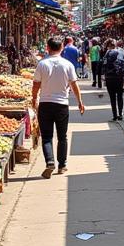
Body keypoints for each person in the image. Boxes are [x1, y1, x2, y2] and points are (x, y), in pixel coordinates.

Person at [32, 35, 85, 178]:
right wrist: (80, 101)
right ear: (62, 48)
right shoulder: (68, 65)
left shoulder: (42, 64)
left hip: (45, 103)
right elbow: (74, 84)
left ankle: (50, 161)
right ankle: (62, 165)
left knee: (47, 136)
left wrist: (34, 98)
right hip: (62, 104)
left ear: (48, 48)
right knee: (62, 136)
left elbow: (36, 84)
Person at [103, 38, 124, 120]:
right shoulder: (122, 51)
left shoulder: (107, 53)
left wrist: (104, 77)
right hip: (119, 77)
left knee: (112, 97)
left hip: (109, 78)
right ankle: (120, 114)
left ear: (108, 46)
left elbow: (103, 66)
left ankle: (114, 115)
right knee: (120, 96)